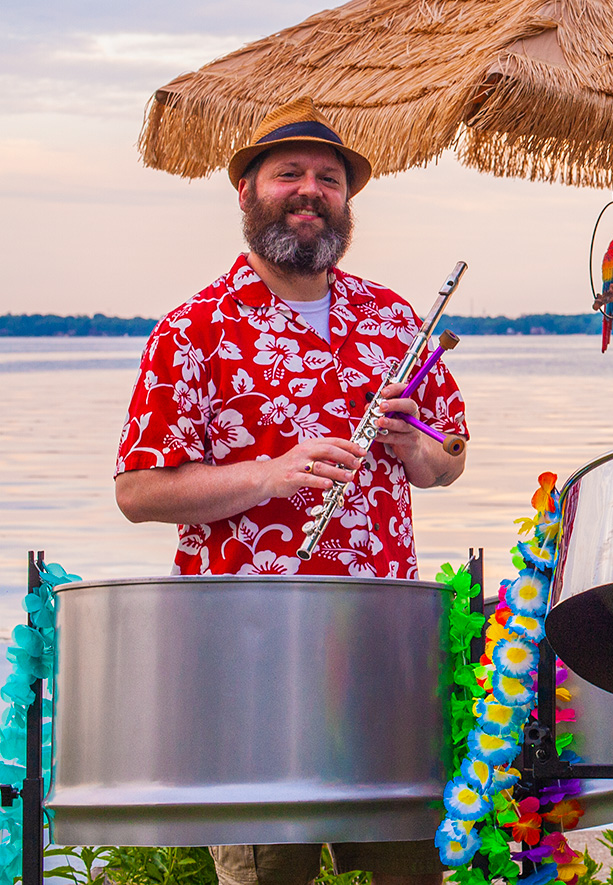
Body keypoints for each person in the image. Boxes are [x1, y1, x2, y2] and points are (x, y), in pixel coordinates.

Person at [114, 97, 467, 885]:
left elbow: (451, 457)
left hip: (380, 655)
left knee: (413, 869)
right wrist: (268, 475)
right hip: (249, 659)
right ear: (246, 192)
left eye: (328, 179)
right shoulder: (191, 330)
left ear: (345, 200)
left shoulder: (392, 318)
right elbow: (137, 489)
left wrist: (420, 451)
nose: (310, 191)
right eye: (289, 174)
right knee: (269, 873)